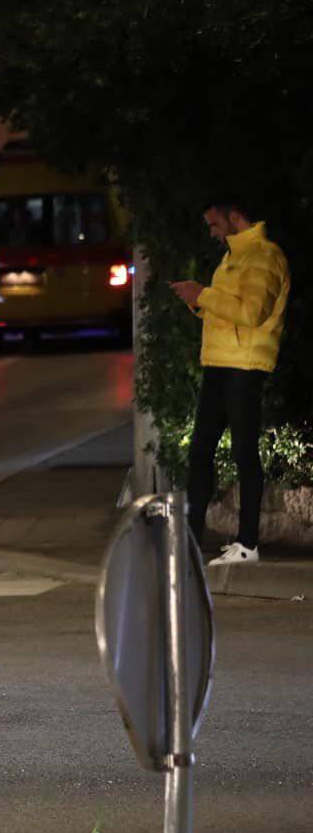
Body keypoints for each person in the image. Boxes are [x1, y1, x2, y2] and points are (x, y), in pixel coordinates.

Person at [170, 195, 292, 563]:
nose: (212, 233)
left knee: (243, 452)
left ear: (235, 217)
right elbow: (225, 309)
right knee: (200, 451)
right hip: (220, 363)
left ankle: (248, 544)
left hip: (246, 365)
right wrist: (197, 300)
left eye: (215, 224)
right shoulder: (233, 257)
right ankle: (191, 538)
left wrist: (203, 294)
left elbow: (252, 312)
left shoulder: (265, 256)